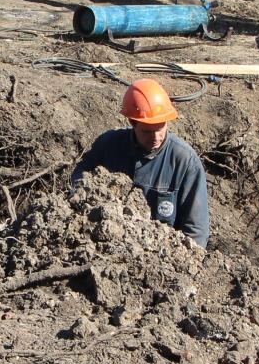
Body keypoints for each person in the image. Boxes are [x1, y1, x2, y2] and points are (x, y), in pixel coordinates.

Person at [72, 79, 210, 249]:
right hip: (107, 245)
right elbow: (80, 176)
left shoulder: (184, 161)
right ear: (132, 122)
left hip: (160, 254)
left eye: (160, 128)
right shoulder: (108, 146)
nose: (156, 137)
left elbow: (196, 229)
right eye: (147, 131)